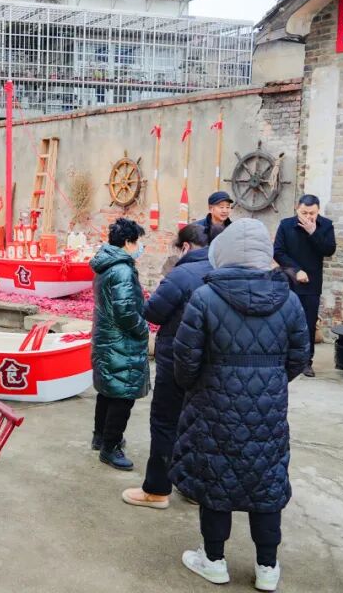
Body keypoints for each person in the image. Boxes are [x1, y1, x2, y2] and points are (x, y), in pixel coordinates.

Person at [171, 219, 309, 592]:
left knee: (216, 477)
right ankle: (267, 567)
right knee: (266, 482)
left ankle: (213, 560)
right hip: (268, 408)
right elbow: (300, 357)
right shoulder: (289, 300)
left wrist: (199, 385)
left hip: (213, 403)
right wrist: (270, 381)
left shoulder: (205, 297)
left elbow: (184, 359)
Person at [121, 224, 220, 509]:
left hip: (176, 357)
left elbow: (153, 312)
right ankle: (193, 487)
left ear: (185, 247)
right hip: (211, 363)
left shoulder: (182, 274)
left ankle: (157, 490)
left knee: (166, 422)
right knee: (201, 424)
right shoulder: (222, 272)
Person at [90, 218, 150, 471]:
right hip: (121, 341)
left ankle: (100, 436)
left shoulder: (106, 264)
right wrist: (143, 329)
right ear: (127, 242)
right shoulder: (122, 269)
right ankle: (110, 447)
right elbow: (125, 311)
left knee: (108, 390)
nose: (139, 247)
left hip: (107, 337)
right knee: (123, 394)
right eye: (137, 242)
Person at [273, 194, 337, 377]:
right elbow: (278, 252)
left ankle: (306, 362)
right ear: (297, 208)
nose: (308, 217)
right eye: (304, 213)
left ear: (318, 211)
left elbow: (329, 250)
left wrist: (313, 232)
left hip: (312, 283)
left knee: (308, 323)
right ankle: (283, 359)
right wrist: (296, 270)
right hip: (289, 280)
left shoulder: (326, 225)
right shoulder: (286, 225)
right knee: (285, 321)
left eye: (312, 213)